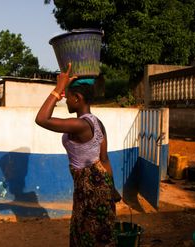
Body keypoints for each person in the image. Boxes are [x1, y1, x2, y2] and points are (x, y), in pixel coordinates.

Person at [35, 63, 116, 246]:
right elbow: (104, 160)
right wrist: (113, 189)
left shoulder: (79, 125)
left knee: (87, 236)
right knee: (100, 236)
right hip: (100, 188)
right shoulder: (97, 123)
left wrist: (59, 88)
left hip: (90, 193)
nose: (65, 100)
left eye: (68, 97)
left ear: (78, 98)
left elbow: (41, 119)